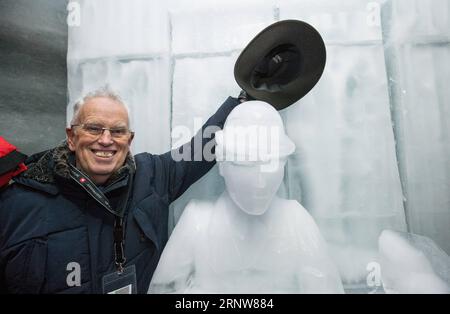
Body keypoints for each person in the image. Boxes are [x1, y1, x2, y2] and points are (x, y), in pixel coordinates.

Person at [0, 87, 241, 293]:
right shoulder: (17, 204)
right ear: (72, 137)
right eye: (94, 128)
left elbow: (201, 148)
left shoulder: (152, 176)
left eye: (117, 131)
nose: (106, 140)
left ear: (129, 140)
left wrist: (244, 99)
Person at [148, 101, 344, 294]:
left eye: (269, 164)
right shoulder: (197, 223)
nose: (260, 183)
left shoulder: (296, 222)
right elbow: (164, 289)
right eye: (245, 165)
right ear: (222, 164)